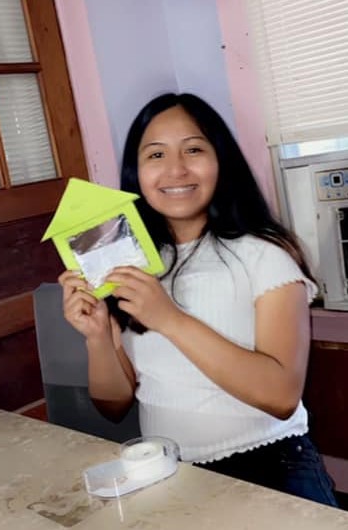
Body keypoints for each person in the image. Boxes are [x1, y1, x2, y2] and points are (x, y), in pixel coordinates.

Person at [59, 93, 338, 507]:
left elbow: (281, 397)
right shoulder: (131, 261)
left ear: (221, 161)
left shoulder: (266, 254)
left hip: (269, 467)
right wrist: (98, 336)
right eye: (155, 154)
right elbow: (115, 405)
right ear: (137, 171)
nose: (175, 169)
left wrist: (169, 318)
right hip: (167, 474)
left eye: (193, 149)